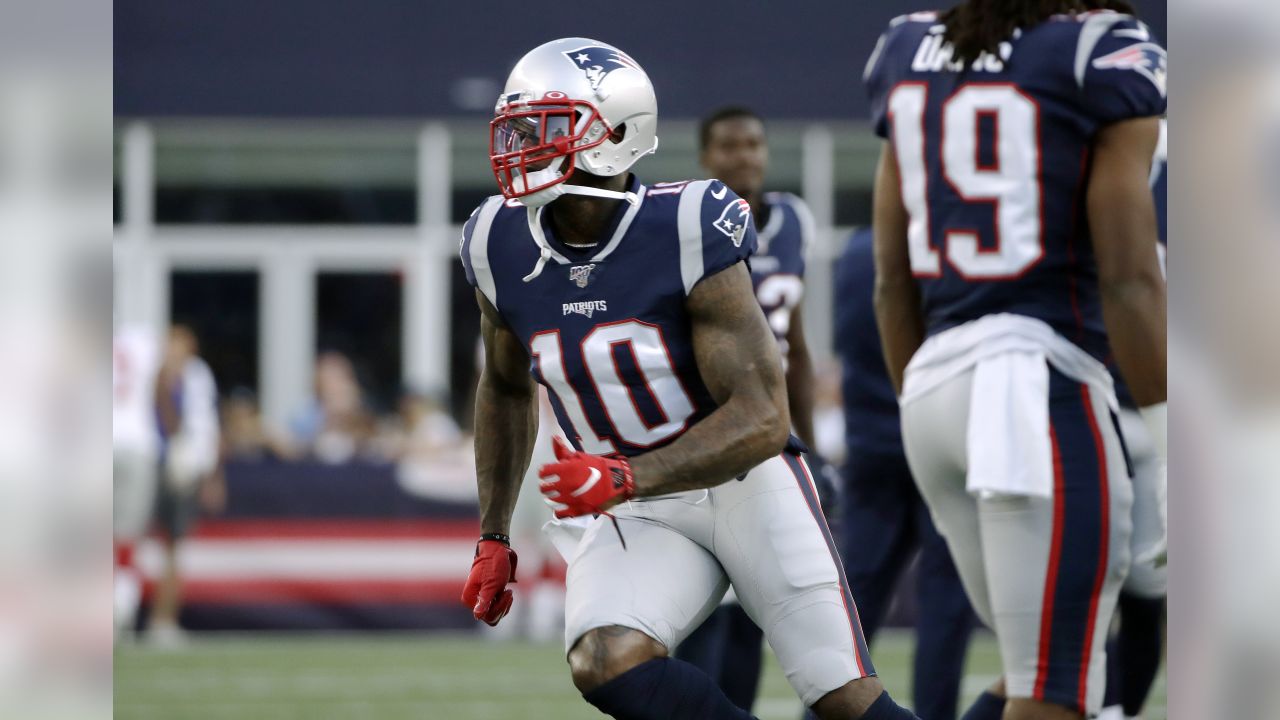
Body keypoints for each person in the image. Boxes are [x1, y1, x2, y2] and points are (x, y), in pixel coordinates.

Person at [459, 38, 917, 720]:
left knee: (841, 696)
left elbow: (763, 415)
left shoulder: (687, 224)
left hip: (742, 485)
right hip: (638, 508)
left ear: (613, 134)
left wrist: (625, 477)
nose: (523, 143)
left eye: (548, 125)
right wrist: (493, 533)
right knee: (603, 659)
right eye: (520, 125)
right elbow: (503, 386)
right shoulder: (495, 241)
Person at [865, 3, 1167, 720]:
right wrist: (1172, 433)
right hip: (1036, 389)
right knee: (1056, 687)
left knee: (1040, 669)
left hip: (934, 386)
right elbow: (1128, 278)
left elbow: (891, 277)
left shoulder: (911, 45)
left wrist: (919, 406)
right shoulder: (1101, 49)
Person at [672, 105, 820, 715]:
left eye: (754, 144)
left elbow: (797, 346)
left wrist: (810, 442)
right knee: (703, 612)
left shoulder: (792, 220)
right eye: (730, 147)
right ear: (706, 156)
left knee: (759, 609)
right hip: (709, 426)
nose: (745, 158)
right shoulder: (681, 221)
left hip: (769, 435)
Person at [834, 227, 977, 720]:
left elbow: (847, 343)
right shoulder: (947, 247)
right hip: (936, 438)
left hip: (871, 444)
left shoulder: (853, 252)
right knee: (944, 602)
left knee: (855, 603)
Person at [1098, 118, 1168, 720]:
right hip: (1088, 404)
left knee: (1150, 592)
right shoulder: (1086, 168)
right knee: (1080, 588)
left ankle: (1119, 711)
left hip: (1161, 418)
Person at [146, 324, 222, 645]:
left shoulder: (198, 377)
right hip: (150, 461)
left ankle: (163, 621)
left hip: (183, 467)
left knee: (174, 546)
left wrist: (213, 473)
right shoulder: (152, 374)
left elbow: (207, 424)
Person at [113, 323, 161, 638]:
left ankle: (118, 608)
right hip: (137, 445)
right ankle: (122, 607)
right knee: (127, 537)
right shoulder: (142, 339)